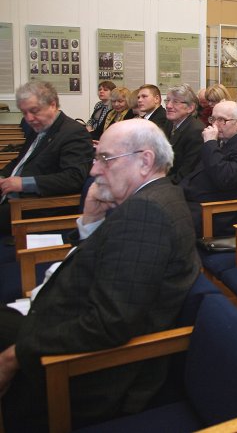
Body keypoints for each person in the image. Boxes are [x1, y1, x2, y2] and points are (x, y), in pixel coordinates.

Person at [0, 119, 199, 427]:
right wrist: (91, 220)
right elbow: (112, 266)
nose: (93, 170)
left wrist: (17, 354)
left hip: (88, 374)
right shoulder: (152, 198)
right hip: (66, 318)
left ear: (145, 161)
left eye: (104, 158)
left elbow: (109, 323)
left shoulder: (147, 214)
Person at [0, 81, 93, 234]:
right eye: (24, 113)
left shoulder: (74, 133)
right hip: (12, 197)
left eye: (34, 111)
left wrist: (24, 183)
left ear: (53, 104)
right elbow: (21, 161)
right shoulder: (39, 128)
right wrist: (2, 175)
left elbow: (73, 178)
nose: (29, 118)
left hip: (34, 206)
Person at [180, 101, 237, 235]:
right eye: (213, 119)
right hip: (197, 200)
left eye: (221, 120)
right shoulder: (223, 140)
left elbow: (224, 178)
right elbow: (197, 172)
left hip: (218, 213)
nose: (214, 124)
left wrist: (210, 143)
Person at [164, 84, 204, 184]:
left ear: (190, 108)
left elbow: (186, 173)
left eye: (175, 102)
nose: (168, 106)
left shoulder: (196, 131)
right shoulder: (169, 123)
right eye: (167, 100)